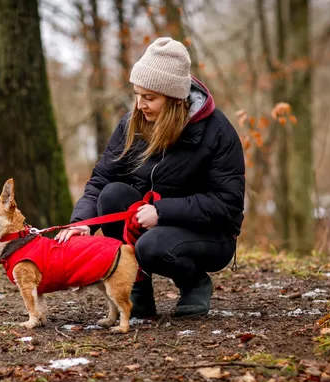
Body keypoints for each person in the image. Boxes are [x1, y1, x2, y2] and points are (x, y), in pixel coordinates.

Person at [55, 37, 245, 318]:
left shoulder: (217, 132)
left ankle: (194, 283)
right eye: (136, 94)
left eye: (149, 97)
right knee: (112, 195)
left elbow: (227, 205)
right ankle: (137, 288)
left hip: (209, 235)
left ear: (174, 98)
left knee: (152, 246)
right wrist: (82, 223)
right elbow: (101, 179)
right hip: (148, 220)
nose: (140, 105)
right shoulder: (132, 123)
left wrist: (162, 211)